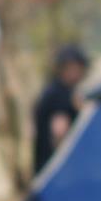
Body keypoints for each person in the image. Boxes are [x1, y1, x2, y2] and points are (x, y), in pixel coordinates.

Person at [31, 43, 90, 175]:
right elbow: (59, 132)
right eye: (74, 67)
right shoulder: (60, 95)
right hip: (54, 169)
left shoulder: (55, 91)